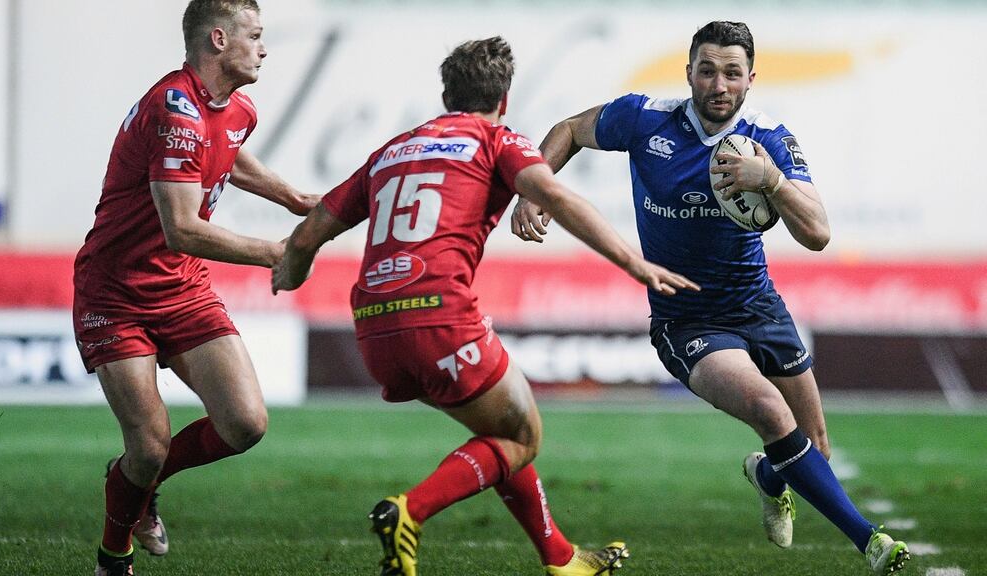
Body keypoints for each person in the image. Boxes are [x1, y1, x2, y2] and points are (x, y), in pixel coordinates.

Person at [273, 36, 698, 576]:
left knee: (500, 432)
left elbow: (308, 234)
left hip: (373, 329)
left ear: (447, 92)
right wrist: (635, 265)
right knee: (521, 436)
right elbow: (559, 198)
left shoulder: (393, 150)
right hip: (439, 317)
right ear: (505, 97)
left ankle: (562, 559)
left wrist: (292, 271)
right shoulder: (495, 138)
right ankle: (410, 511)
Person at [510, 20, 910, 576]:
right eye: (707, 70)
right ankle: (870, 541)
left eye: (731, 72)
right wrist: (534, 190)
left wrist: (768, 180)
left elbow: (818, 234)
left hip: (759, 307)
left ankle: (767, 477)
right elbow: (571, 129)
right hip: (686, 317)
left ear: (750, 78)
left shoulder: (767, 139)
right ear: (690, 73)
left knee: (811, 451)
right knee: (772, 412)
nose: (718, 84)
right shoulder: (646, 117)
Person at [72, 2, 319, 574]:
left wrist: (296, 200)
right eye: (254, 37)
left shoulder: (235, 108)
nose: (263, 48)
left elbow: (232, 154)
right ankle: (114, 556)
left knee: (245, 423)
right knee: (149, 442)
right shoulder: (174, 108)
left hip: (181, 289)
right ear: (217, 39)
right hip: (116, 292)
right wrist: (277, 254)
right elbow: (181, 229)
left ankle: (141, 485)